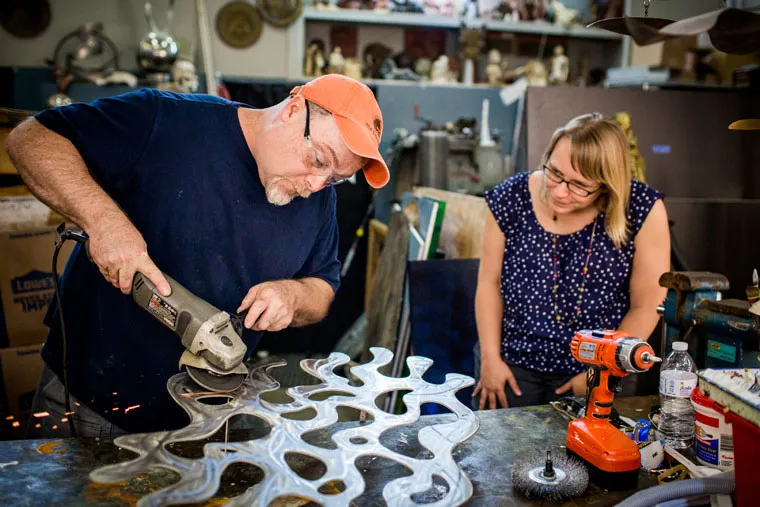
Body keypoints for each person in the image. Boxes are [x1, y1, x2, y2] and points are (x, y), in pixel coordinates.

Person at [5, 74, 389, 437]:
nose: (318, 185)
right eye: (320, 160)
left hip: (206, 421)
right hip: (86, 405)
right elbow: (32, 139)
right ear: (293, 110)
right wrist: (104, 221)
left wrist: (292, 296)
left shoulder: (319, 201)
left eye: (336, 178)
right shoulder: (168, 121)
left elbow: (322, 288)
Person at [472, 113, 670, 410]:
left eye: (579, 186)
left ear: (606, 186)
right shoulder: (511, 197)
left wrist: (602, 371)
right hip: (511, 368)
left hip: (601, 368)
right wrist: (490, 359)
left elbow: (647, 303)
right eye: (554, 173)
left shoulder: (641, 209)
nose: (560, 192)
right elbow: (489, 283)